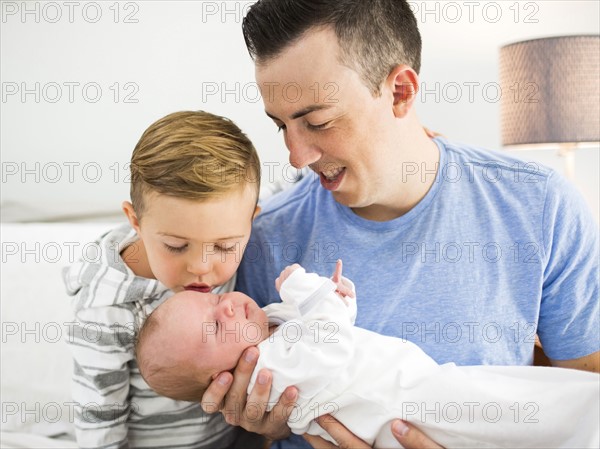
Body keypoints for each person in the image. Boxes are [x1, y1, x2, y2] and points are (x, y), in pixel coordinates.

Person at [200, 1, 600, 448]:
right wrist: (265, 427)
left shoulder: (540, 206)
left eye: (318, 122)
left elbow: (586, 408)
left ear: (401, 92)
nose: (297, 156)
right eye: (281, 127)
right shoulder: (266, 238)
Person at [137, 262, 599, 448]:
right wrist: (307, 287)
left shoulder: (269, 327)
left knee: (516, 400)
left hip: (416, 387)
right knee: (521, 413)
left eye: (211, 299)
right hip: (407, 408)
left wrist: (335, 294)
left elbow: (339, 320)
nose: (226, 305)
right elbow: (333, 339)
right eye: (215, 326)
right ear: (222, 376)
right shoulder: (271, 367)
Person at [63, 111, 266, 449]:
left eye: (225, 246)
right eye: (176, 246)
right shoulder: (107, 309)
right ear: (135, 221)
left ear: (251, 221)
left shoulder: (233, 217)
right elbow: (99, 418)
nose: (201, 268)